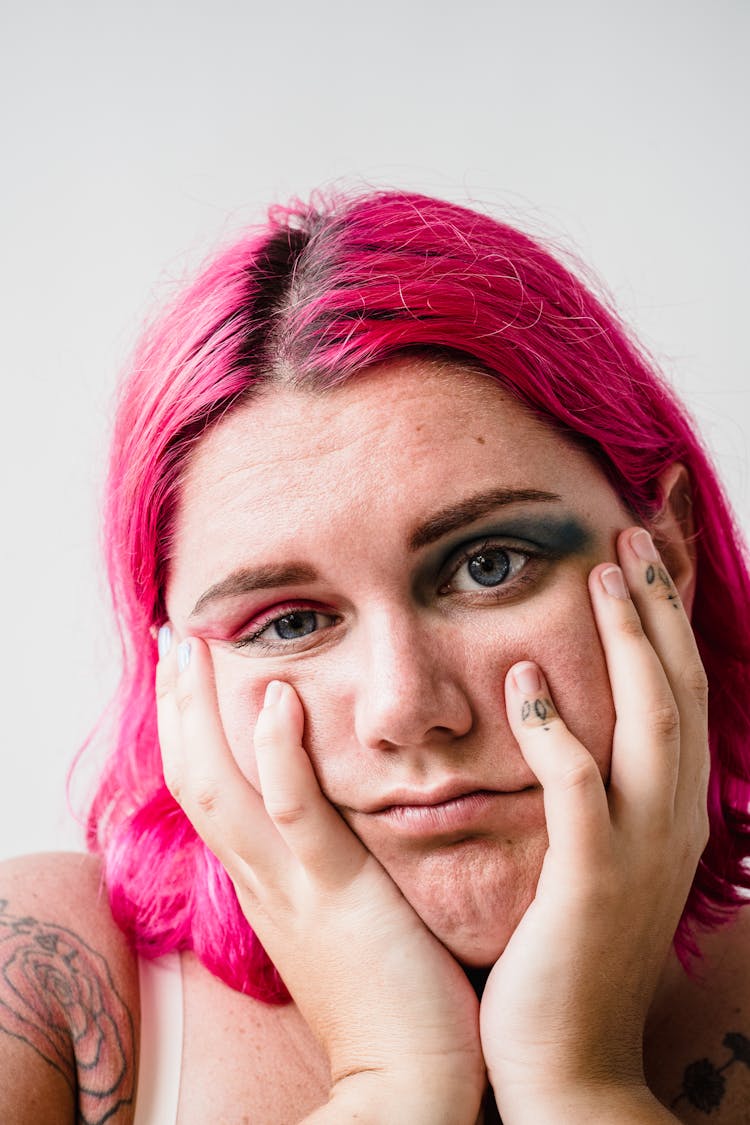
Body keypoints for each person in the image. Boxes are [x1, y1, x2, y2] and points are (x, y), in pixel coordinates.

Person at [2, 189, 749, 1125]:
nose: (404, 707)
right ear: (181, 678)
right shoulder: (49, 986)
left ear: (666, 556)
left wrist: (578, 1083)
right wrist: (394, 1079)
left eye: (489, 565)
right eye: (288, 623)